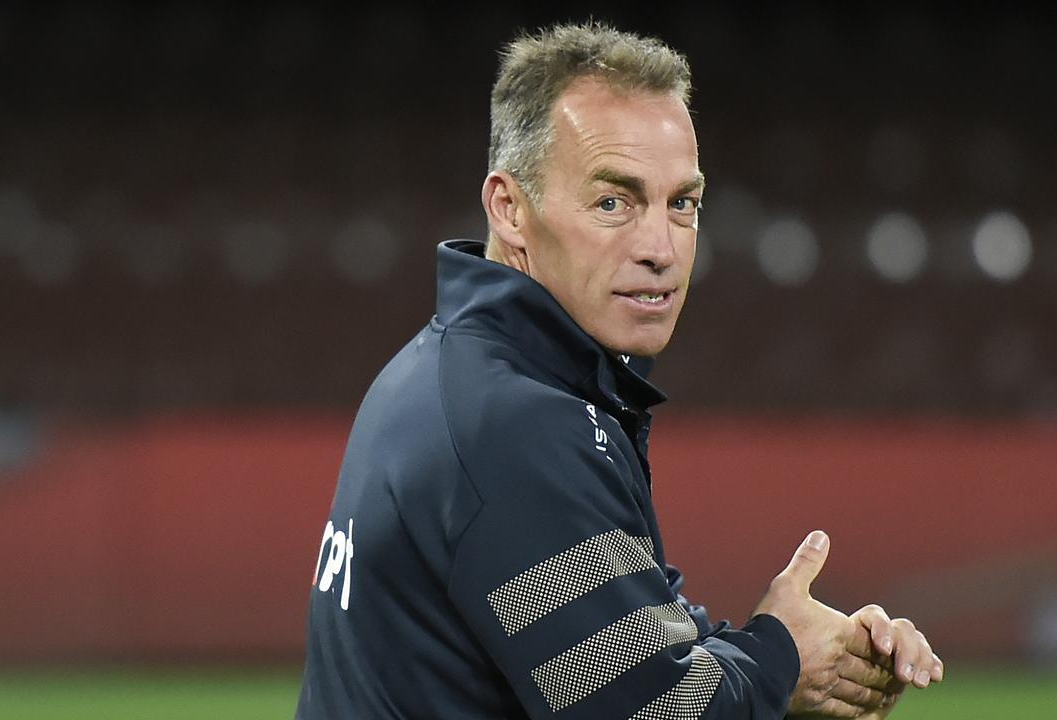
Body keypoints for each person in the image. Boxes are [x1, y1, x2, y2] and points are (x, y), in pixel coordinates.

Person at [297, 22, 942, 719]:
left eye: (682, 205)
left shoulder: (458, 373)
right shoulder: (516, 424)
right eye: (614, 203)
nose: (661, 248)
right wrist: (782, 656)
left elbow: (638, 652)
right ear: (511, 209)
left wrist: (814, 653)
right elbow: (652, 709)